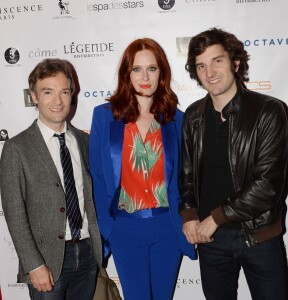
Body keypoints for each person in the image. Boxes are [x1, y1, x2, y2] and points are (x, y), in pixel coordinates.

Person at [180, 28, 288, 300]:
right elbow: (187, 175)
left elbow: (267, 186)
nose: (210, 72)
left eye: (217, 60)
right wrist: (190, 215)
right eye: (201, 66)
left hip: (258, 236)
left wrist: (214, 218)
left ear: (235, 63)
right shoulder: (194, 115)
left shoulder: (268, 111)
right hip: (211, 242)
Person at [89, 38, 196, 300]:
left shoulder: (175, 119)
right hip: (125, 227)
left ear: (162, 73)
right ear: (127, 73)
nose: (145, 76)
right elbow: (98, 178)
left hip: (167, 227)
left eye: (152, 68)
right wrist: (109, 228)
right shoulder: (105, 116)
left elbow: (185, 178)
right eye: (137, 69)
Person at [0, 58, 102, 300]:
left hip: (87, 255)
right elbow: (14, 213)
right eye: (48, 92)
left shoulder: (85, 142)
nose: (58, 101)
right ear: (34, 96)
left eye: (64, 92)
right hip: (46, 262)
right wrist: (34, 265)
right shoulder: (17, 148)